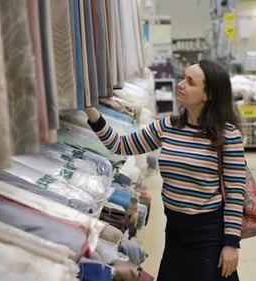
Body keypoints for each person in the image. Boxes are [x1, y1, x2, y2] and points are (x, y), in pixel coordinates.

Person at [84, 59, 246, 281]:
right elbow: (120, 145)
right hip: (175, 233)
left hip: (209, 236)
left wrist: (231, 244)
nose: (180, 84)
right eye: (183, 78)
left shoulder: (227, 136)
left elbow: (236, 194)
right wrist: (90, 109)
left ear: (208, 94)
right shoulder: (168, 126)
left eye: (190, 82)